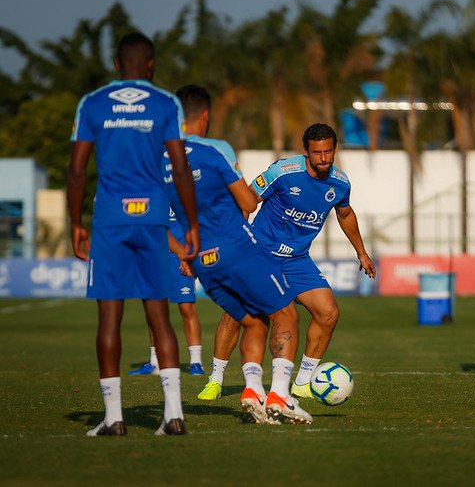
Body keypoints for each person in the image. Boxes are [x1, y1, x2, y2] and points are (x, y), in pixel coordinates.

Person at [67, 32, 200, 436]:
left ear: (116, 65)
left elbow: (77, 169)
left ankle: (114, 419)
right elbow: (179, 168)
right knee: (159, 314)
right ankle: (173, 415)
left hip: (110, 220)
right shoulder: (165, 102)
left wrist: (75, 222)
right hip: (153, 218)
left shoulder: (92, 103)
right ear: (151, 65)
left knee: (110, 316)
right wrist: (192, 223)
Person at [197, 123, 376, 401]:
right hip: (259, 255)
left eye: (328, 151)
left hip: (296, 261)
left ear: (335, 149)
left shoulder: (340, 183)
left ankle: (303, 382)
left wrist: (361, 253)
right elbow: (247, 200)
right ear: (306, 151)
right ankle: (215, 379)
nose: (323, 158)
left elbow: (345, 214)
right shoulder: (281, 172)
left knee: (328, 313)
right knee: (235, 315)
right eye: (317, 153)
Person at [168, 84, 311, 424]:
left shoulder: (159, 157)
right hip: (237, 249)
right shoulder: (215, 149)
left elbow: (152, 220)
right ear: (205, 116)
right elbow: (248, 203)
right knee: (286, 314)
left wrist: (182, 254)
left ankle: (251, 390)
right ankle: (279, 394)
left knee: (252, 320)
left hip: (202, 262)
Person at [128, 213, 205, 376]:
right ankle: (155, 362)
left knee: (187, 308)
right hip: (154, 256)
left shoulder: (182, 189)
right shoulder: (151, 190)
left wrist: (194, 256)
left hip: (180, 256)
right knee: (154, 308)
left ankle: (196, 362)